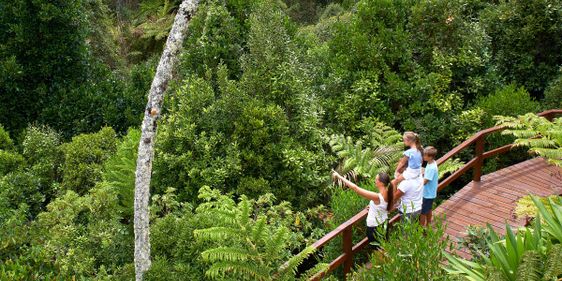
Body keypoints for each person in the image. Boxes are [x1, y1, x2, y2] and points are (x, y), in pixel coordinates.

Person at [332, 171, 394, 248]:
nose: (375, 181)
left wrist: (339, 176)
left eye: (376, 179)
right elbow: (386, 208)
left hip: (375, 228)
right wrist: (373, 207)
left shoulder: (377, 197)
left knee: (378, 252)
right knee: (383, 248)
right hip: (384, 223)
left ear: (381, 183)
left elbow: (356, 188)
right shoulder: (389, 193)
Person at [420, 146, 438, 226]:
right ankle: (428, 224)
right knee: (429, 208)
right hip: (431, 192)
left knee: (423, 212)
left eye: (424, 155)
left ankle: (420, 229)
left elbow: (425, 182)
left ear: (430, 157)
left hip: (427, 194)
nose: (423, 156)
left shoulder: (431, 168)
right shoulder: (432, 162)